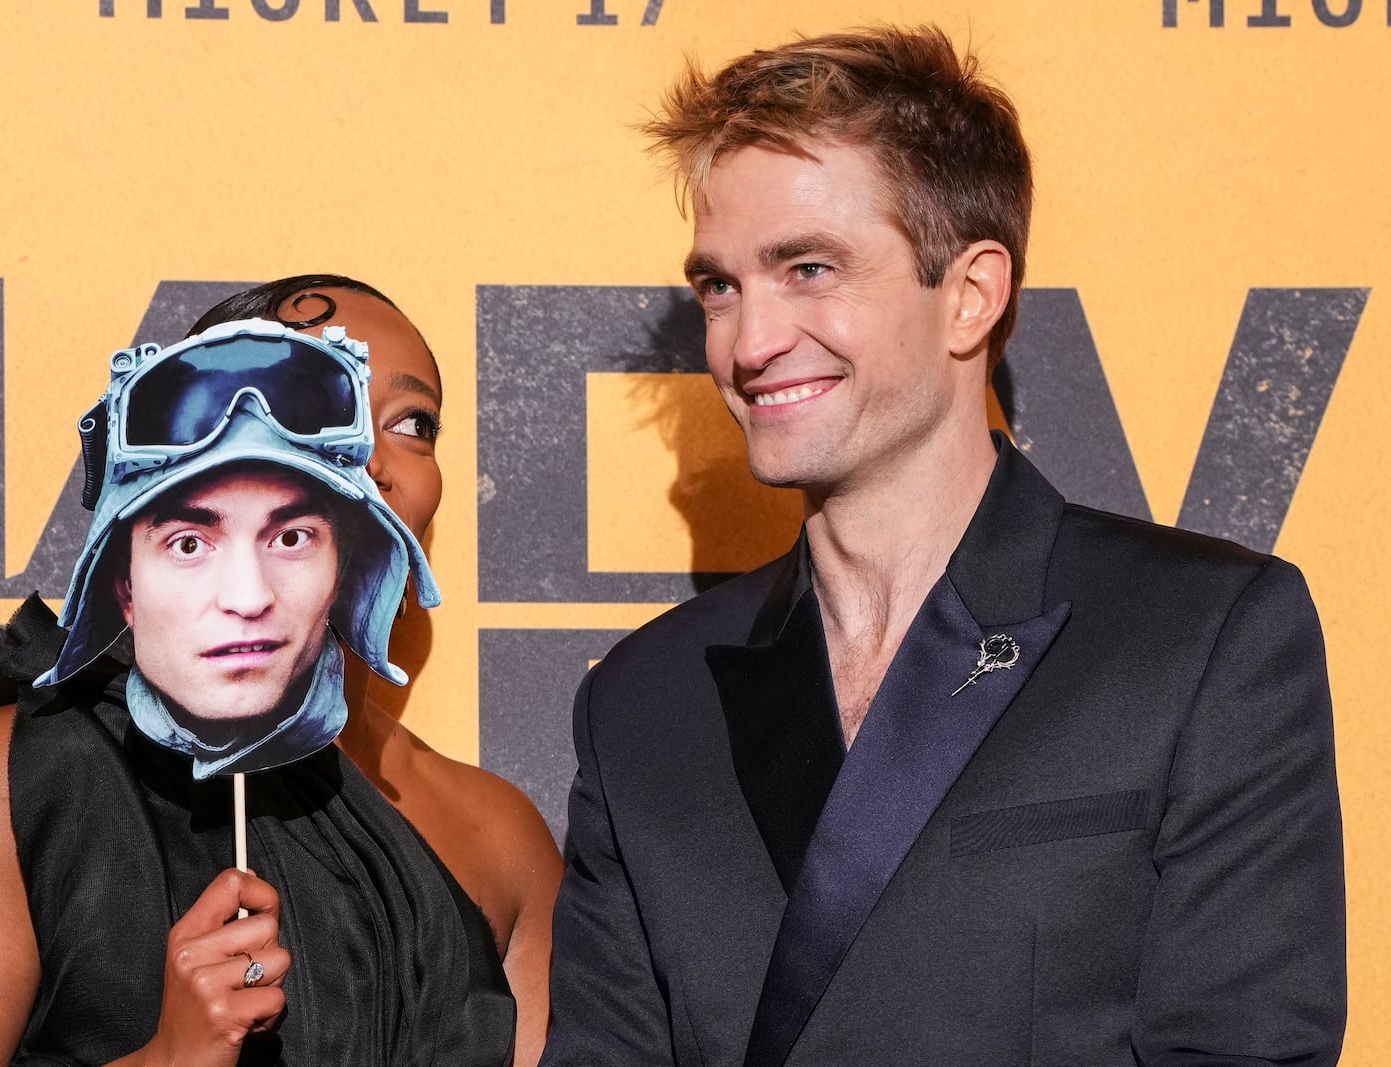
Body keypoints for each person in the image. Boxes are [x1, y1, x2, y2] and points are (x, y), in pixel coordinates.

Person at [543, 26, 1346, 1067]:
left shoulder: (1199, 638)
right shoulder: (643, 701)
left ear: (969, 292)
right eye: (722, 287)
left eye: (809, 268)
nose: (748, 344)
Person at [0, 276, 561, 1066]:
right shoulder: (24, 780)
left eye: (411, 422)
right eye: (313, 404)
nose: (372, 458)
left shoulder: (500, 838)